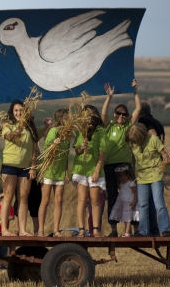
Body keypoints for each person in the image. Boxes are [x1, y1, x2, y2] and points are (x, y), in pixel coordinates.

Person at [101, 79, 141, 236]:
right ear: (114, 114)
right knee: (112, 196)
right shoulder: (108, 126)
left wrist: (135, 91)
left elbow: (138, 108)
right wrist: (109, 97)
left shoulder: (127, 126)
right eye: (118, 113)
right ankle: (113, 229)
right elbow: (103, 114)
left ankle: (135, 228)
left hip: (125, 166)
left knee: (131, 196)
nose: (121, 116)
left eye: (124, 114)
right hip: (110, 166)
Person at [0, 100, 39, 236]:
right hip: (10, 165)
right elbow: (8, 136)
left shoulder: (30, 127)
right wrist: (16, 131)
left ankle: (22, 230)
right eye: (16, 110)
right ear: (12, 111)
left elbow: (34, 149)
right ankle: (4, 229)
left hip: (26, 167)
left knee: (23, 198)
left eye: (21, 110)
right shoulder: (8, 125)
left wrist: (33, 167)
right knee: (8, 197)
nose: (18, 113)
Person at [125, 124, 170, 237]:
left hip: (156, 175)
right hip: (141, 177)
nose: (135, 142)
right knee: (143, 205)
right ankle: (143, 231)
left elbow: (164, 154)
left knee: (159, 204)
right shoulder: (131, 143)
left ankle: (165, 230)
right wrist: (134, 173)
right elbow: (134, 158)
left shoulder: (154, 139)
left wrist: (166, 160)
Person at [72, 105, 108, 237]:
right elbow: (76, 150)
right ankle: (82, 230)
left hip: (94, 169)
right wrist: (81, 148)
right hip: (80, 169)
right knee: (82, 200)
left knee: (95, 200)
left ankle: (95, 230)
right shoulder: (80, 130)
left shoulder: (100, 131)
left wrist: (97, 170)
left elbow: (102, 152)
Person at [38, 109, 71, 237]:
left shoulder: (67, 134)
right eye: (67, 116)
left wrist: (66, 172)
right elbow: (47, 146)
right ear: (61, 118)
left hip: (60, 172)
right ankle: (41, 230)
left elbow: (66, 155)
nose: (70, 119)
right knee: (45, 200)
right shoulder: (53, 131)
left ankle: (56, 230)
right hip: (49, 170)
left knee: (58, 200)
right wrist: (54, 143)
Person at [108, 166, 139, 237]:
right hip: (123, 203)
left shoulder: (131, 183)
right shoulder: (121, 184)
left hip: (129, 203)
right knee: (126, 218)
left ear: (127, 175)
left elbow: (135, 193)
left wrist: (134, 202)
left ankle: (127, 233)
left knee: (127, 218)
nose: (122, 180)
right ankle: (129, 232)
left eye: (124, 179)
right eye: (121, 179)